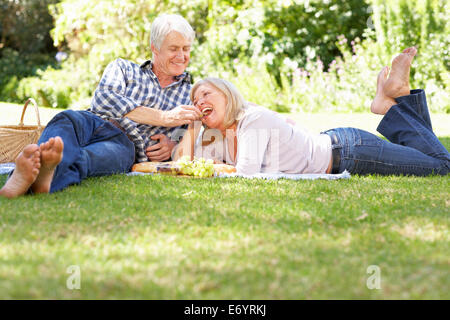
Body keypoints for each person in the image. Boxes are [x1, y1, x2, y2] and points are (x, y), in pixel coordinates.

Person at [0, 13, 203, 198]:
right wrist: (163, 118)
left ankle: (42, 179)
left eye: (186, 49)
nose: (181, 56)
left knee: (86, 159)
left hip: (126, 144)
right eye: (174, 49)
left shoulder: (190, 94)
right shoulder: (124, 68)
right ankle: (35, 177)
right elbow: (104, 99)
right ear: (154, 48)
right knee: (66, 119)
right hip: (93, 121)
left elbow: (193, 139)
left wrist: (172, 146)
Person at [173, 47, 450, 176]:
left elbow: (245, 173)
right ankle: (397, 98)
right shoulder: (219, 135)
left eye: (206, 95)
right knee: (431, 158)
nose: (199, 103)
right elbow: (180, 165)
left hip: (350, 152)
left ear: (228, 95)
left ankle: (390, 105)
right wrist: (192, 126)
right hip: (338, 145)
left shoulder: (251, 120)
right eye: (195, 101)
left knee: (442, 166)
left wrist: (211, 168)